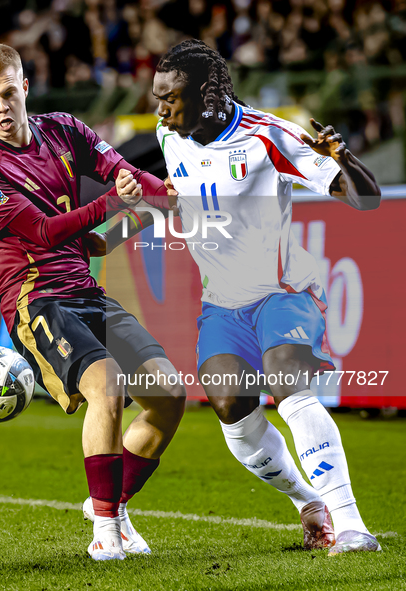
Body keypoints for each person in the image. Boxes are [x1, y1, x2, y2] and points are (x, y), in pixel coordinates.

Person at [146, 39, 381, 555]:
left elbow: (367, 200)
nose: (160, 110)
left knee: (287, 380)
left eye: (171, 98)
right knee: (232, 407)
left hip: (283, 289)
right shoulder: (170, 136)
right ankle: (307, 503)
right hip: (221, 304)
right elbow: (171, 182)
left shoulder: (268, 136)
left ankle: (352, 525)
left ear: (207, 94)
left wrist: (344, 158)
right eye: (157, 96)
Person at [0, 43, 186, 561]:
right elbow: (39, 232)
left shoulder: (65, 130)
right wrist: (113, 203)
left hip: (86, 291)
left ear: (25, 88)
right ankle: (105, 533)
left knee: (170, 396)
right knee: (107, 386)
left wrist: (162, 195)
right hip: (35, 299)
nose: (1, 107)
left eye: (9, 93)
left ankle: (113, 505)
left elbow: (126, 175)